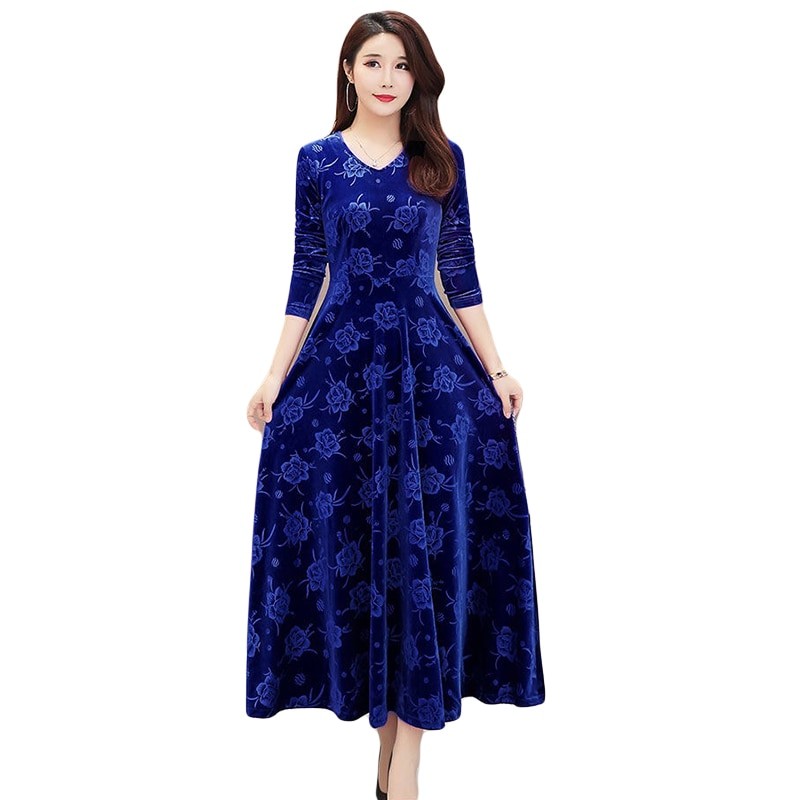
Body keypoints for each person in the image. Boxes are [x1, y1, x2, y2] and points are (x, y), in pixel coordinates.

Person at [245, 10, 545, 800]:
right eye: (374, 62)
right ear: (348, 70)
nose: (388, 78)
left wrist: (497, 367)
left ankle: (403, 763)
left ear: (419, 77)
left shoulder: (441, 159)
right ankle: (386, 759)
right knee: (366, 553)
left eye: (403, 65)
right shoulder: (316, 161)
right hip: (340, 379)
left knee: (423, 556)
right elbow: (308, 271)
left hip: (431, 380)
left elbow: (461, 270)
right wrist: (274, 377)